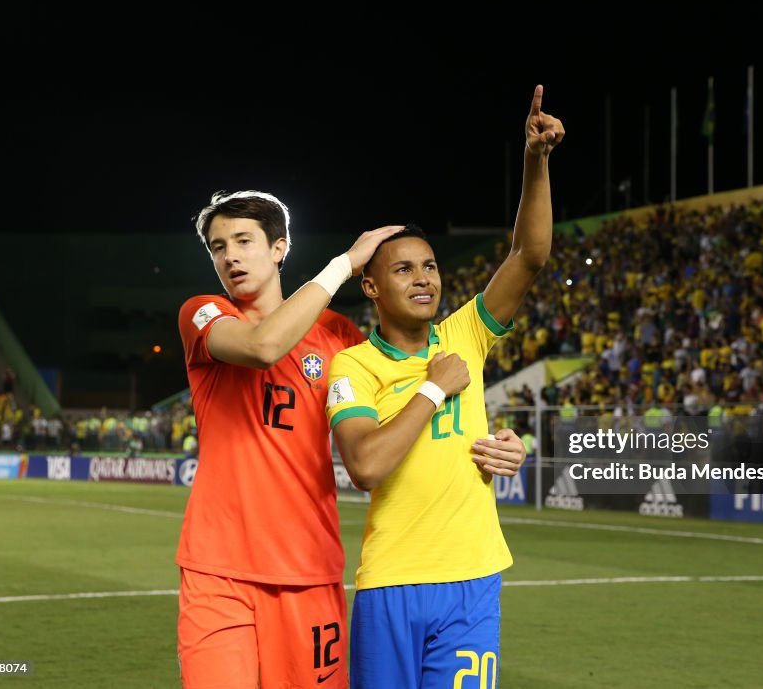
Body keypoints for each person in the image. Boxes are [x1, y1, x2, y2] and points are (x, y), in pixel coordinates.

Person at [326, 85, 564, 688]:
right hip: (392, 583)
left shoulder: (466, 334)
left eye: (429, 266)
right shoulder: (352, 366)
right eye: (403, 269)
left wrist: (534, 159)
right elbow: (366, 466)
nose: (423, 278)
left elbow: (530, 254)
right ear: (374, 289)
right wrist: (432, 391)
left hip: (474, 581)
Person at [175, 188, 405, 689]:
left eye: (243, 240)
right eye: (217, 246)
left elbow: (398, 405)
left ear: (279, 248)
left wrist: (494, 438)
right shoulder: (203, 313)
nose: (230, 255)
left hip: (308, 569)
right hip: (218, 572)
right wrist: (343, 265)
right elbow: (263, 346)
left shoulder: (338, 333)